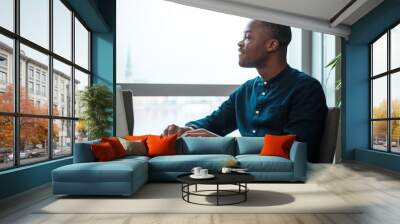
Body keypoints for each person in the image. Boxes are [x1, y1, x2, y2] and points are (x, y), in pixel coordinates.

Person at [163, 20, 328, 162]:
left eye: (248, 37)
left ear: (272, 45)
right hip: (245, 173)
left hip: (285, 179)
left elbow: (294, 148)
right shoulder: (246, 90)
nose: (240, 43)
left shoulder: (306, 88)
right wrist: (187, 130)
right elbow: (215, 123)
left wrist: (223, 144)